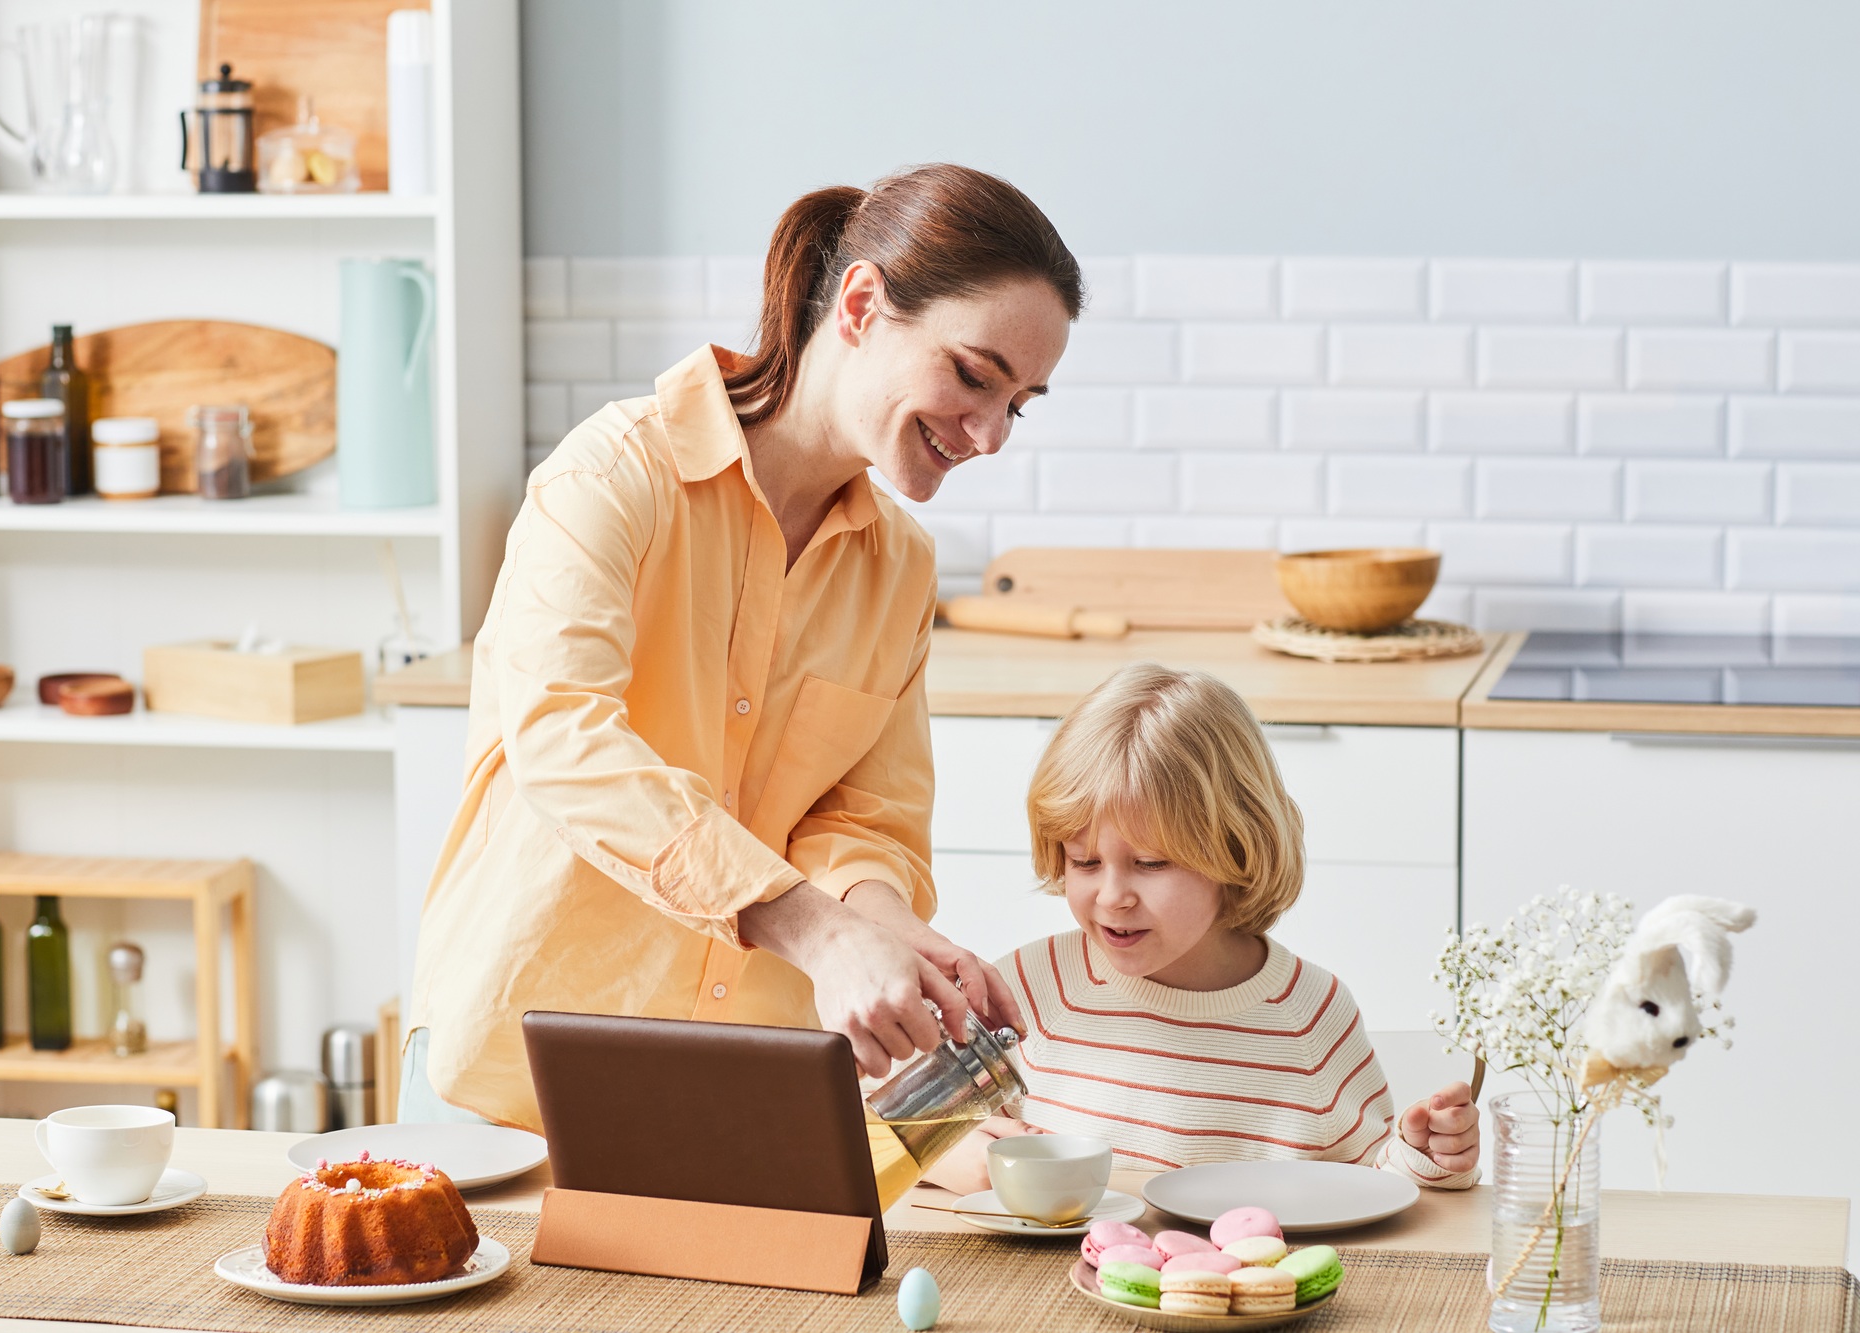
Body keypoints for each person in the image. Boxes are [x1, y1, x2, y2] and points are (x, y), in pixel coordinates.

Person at [403, 164, 1083, 1127]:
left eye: (1019, 402)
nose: (989, 433)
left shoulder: (897, 567)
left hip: (735, 1093)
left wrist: (884, 927)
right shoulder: (615, 474)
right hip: (513, 1082)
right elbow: (564, 741)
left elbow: (867, 813)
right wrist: (815, 930)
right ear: (859, 304)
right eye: (973, 374)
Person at [928, 663, 1482, 1192]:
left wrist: (1428, 1158)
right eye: (1084, 862)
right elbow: (880, 1134)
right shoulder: (1026, 990)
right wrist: (945, 1155)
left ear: (1235, 849)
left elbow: (1374, 1187)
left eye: (1151, 864)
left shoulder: (1311, 1017)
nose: (1113, 897)